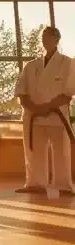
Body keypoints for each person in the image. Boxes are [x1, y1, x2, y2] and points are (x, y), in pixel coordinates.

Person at [14, 26, 75, 197]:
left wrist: (46, 108)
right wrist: (34, 108)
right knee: (34, 151)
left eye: (49, 37)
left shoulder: (68, 63)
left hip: (57, 115)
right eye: (43, 37)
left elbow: (68, 94)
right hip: (33, 115)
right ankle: (35, 183)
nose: (45, 40)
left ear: (57, 40)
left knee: (61, 152)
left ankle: (64, 186)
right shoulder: (31, 65)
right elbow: (21, 92)